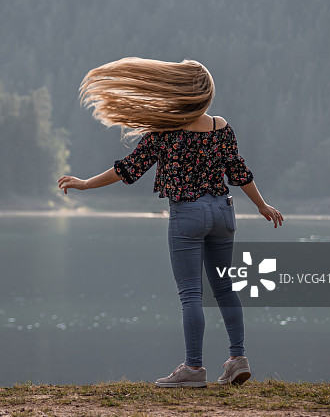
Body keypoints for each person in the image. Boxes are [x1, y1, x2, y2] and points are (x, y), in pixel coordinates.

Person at [57, 57, 283, 388]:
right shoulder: (222, 127)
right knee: (224, 289)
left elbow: (128, 168)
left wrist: (85, 183)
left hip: (188, 215)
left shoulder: (165, 131)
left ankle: (193, 369)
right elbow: (238, 171)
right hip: (223, 211)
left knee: (191, 294)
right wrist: (262, 205)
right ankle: (238, 359)